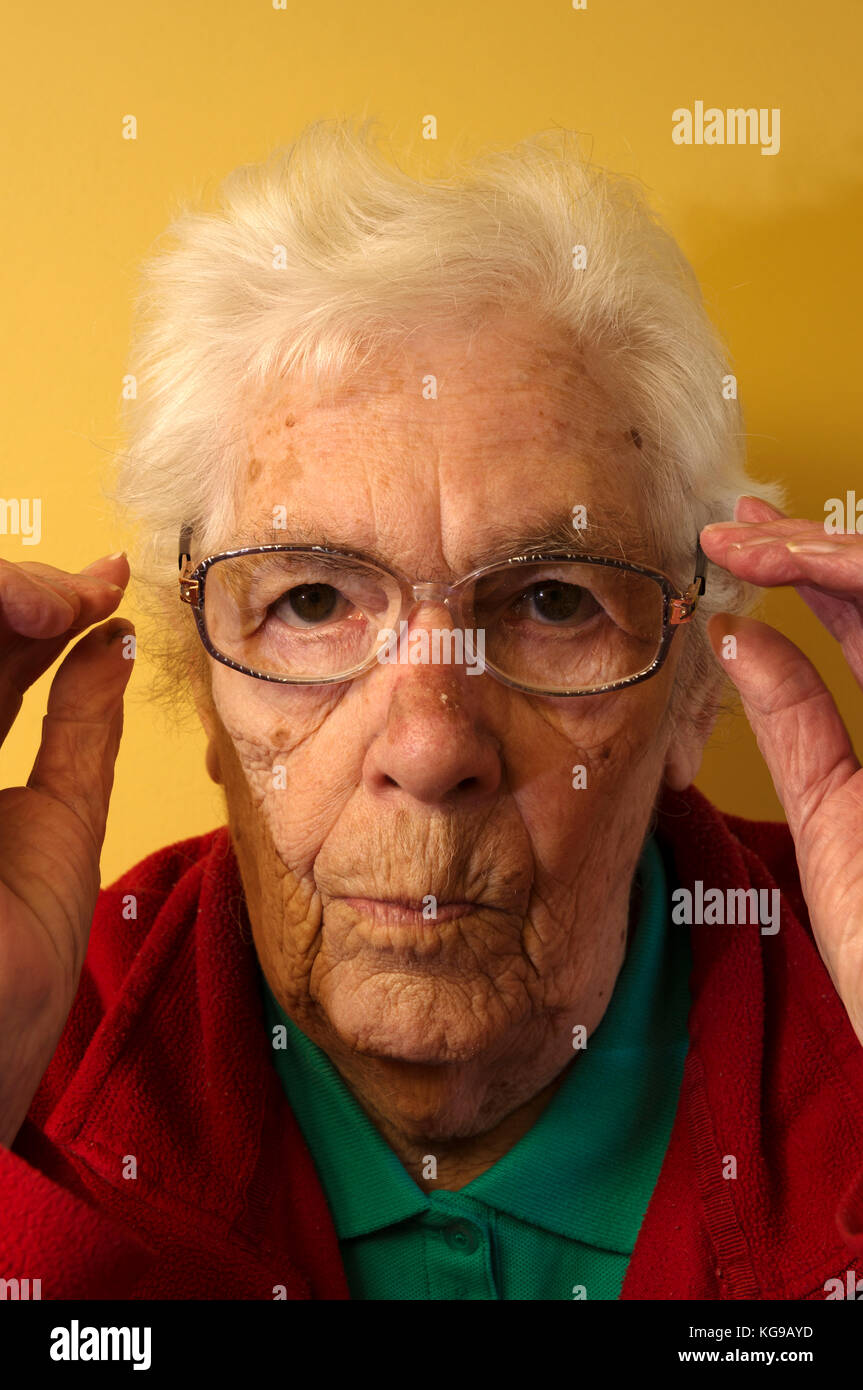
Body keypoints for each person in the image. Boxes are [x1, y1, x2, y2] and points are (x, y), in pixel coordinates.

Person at [2, 120, 862, 1301]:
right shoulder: (38, 1038)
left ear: (692, 691)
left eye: (551, 601)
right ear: (201, 682)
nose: (429, 745)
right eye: (311, 601)